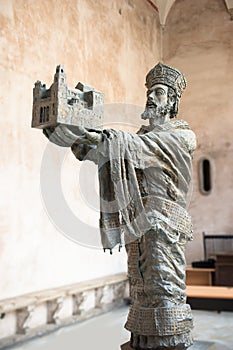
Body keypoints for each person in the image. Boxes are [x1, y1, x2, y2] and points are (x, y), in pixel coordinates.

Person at [44, 63, 196, 349]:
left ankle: (168, 341)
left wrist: (100, 137)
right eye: (149, 92)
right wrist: (67, 136)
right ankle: (144, 341)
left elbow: (136, 147)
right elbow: (106, 151)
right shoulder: (139, 137)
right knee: (141, 288)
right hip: (140, 224)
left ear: (173, 101)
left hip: (165, 228)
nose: (151, 97)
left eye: (159, 93)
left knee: (163, 287)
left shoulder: (181, 136)